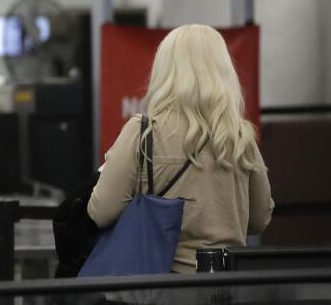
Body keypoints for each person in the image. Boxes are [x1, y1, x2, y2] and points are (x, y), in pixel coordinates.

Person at [88, 24, 274, 273]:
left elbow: (101, 211)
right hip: (228, 284)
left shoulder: (144, 132)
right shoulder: (240, 137)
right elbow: (259, 219)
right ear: (223, 71)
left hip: (165, 284)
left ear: (165, 71)